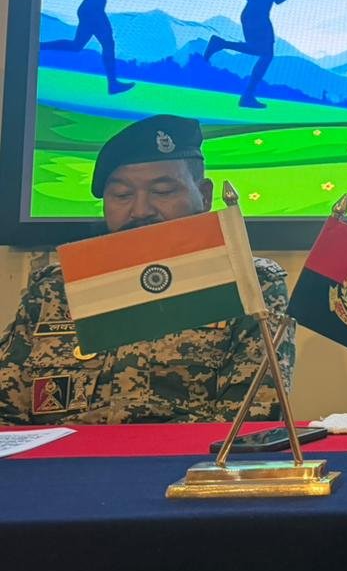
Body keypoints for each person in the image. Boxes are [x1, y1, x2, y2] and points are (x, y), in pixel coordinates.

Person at [0, 115, 295, 424]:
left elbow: (252, 421)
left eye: (163, 191)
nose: (140, 210)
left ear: (204, 195)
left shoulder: (248, 282)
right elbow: (6, 414)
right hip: (61, 455)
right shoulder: (55, 288)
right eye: (122, 195)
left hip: (186, 455)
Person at [204, 0, 299, 108]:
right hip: (258, 16)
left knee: (262, 51)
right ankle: (247, 96)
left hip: (252, 14)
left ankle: (221, 44)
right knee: (266, 54)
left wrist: (250, 0)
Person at [39, 0, 134, 95]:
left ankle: (40, 46)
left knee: (78, 46)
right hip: (93, 12)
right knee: (106, 44)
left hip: (91, 11)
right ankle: (112, 84)